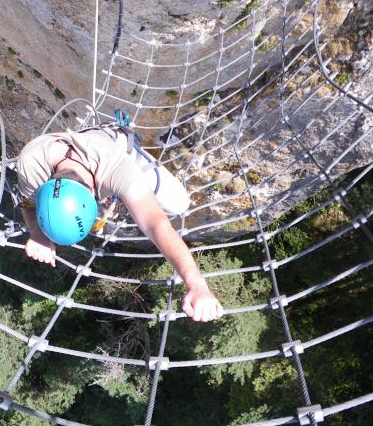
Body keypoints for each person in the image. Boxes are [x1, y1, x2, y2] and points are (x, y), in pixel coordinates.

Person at [16, 125, 224, 322]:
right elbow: (27, 205)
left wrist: (196, 283)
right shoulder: (31, 166)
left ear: (91, 193)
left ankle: (125, 199)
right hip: (86, 160)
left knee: (179, 204)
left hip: (117, 148)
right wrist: (37, 234)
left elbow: (155, 224)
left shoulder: (115, 167)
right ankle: (124, 199)